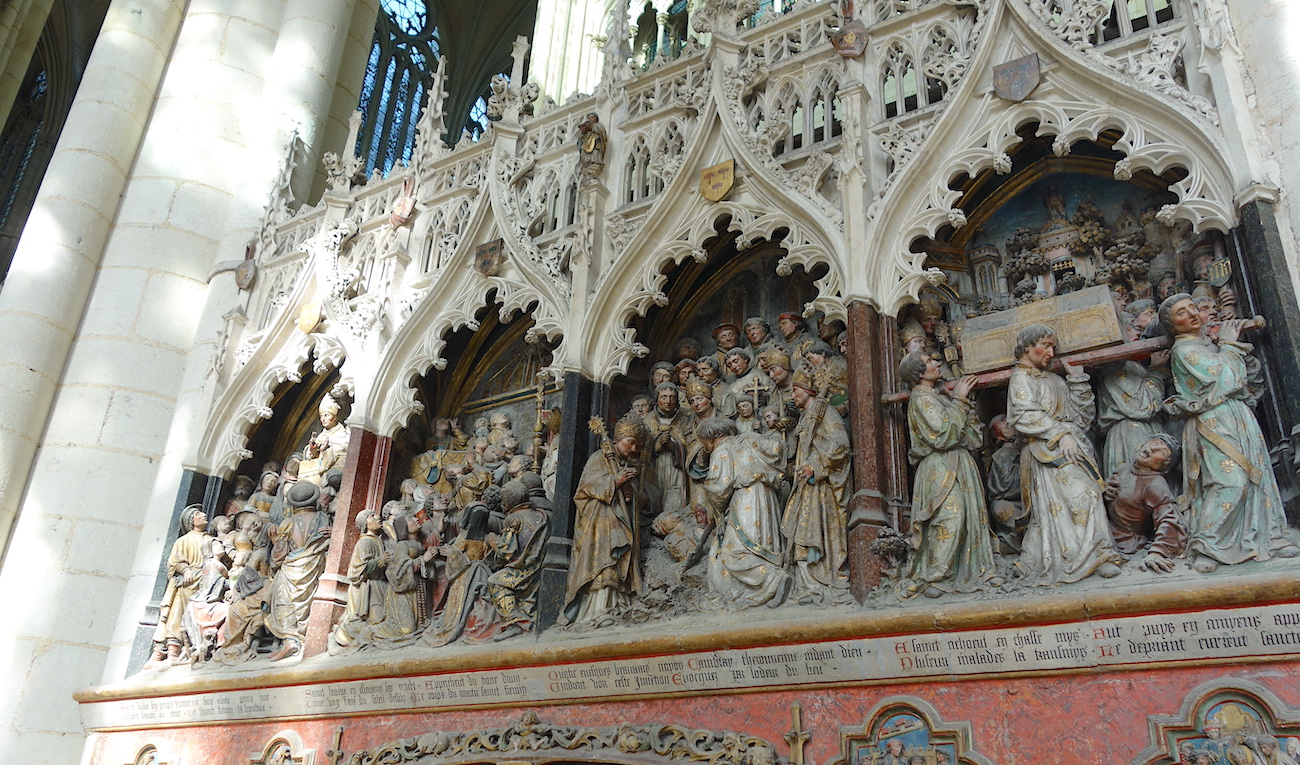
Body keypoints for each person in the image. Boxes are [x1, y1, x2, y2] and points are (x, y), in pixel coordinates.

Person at [1159, 294, 1300, 572]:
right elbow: (1225, 379)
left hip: (1236, 415)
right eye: (1181, 313)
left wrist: (1222, 343)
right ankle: (1207, 544)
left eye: (1193, 308)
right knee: (1229, 481)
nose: (1191, 314)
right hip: (1213, 421)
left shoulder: (1205, 343)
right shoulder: (1183, 351)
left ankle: (1269, 536)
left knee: (1257, 475)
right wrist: (1229, 343)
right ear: (1173, 326)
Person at [1006, 324, 1122, 584]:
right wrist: (1061, 434)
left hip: (1073, 445)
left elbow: (1081, 419)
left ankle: (1098, 555)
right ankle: (1084, 558)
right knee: (1080, 497)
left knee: (1086, 497)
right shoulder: (1020, 379)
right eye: (1045, 345)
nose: (1051, 352)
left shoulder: (1055, 380)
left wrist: (1078, 381)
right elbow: (1024, 416)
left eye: (1053, 347)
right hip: (1047, 449)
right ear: (1027, 347)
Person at [897, 351, 999, 597]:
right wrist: (960, 399)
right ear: (919, 373)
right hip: (938, 466)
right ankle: (935, 574)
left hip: (960, 463)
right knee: (948, 516)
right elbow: (944, 433)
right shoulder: (920, 400)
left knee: (969, 516)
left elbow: (970, 437)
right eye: (930, 361)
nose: (936, 362)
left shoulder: (939, 397)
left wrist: (958, 402)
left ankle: (974, 570)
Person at [692, 417, 792, 609]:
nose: (704, 448)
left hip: (745, 498)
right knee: (762, 542)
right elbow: (777, 447)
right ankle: (767, 580)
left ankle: (772, 578)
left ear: (710, 437)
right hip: (768, 497)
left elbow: (717, 486)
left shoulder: (721, 450)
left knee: (733, 551)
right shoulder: (749, 438)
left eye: (703, 443)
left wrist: (715, 509)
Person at [563, 414, 649, 627]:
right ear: (618, 439)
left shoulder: (622, 463)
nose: (633, 449)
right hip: (599, 521)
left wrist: (629, 494)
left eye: (637, 446)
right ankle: (597, 608)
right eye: (630, 442)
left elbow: (631, 498)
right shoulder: (599, 458)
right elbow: (586, 487)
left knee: (618, 558)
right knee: (603, 559)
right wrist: (615, 481)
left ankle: (616, 603)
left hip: (616, 520)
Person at [781, 369, 851, 602]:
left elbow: (840, 444)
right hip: (805, 485)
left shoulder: (825, 412)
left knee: (814, 532)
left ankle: (823, 582)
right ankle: (808, 585)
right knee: (801, 533)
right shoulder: (807, 416)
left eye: (795, 389)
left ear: (808, 390)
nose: (792, 395)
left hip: (820, 487)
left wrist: (815, 466)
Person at [264, 481, 332, 660]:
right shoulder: (322, 519)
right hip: (313, 567)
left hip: (291, 568)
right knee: (308, 602)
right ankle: (307, 635)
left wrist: (274, 547)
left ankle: (291, 639)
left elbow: (279, 554)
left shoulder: (287, 523)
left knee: (284, 601)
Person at [1104, 434, 1187, 573]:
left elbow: (1170, 520)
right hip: (1105, 530)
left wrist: (1158, 552)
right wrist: (1105, 490)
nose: (1153, 448)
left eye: (1162, 452)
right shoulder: (1123, 469)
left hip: (1126, 544)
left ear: (1165, 466)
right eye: (1154, 442)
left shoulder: (1154, 486)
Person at [486, 480, 551, 640]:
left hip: (522, 570)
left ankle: (515, 621)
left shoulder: (513, 518)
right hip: (539, 565)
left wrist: (493, 541)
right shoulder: (540, 515)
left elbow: (506, 553)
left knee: (494, 581)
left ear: (507, 503)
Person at [149, 505, 209, 664]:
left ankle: (200, 647)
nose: (203, 515)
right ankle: (171, 652)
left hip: (207, 582)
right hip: (188, 583)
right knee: (177, 614)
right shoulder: (184, 540)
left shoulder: (211, 539)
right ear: (191, 521)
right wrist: (186, 570)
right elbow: (175, 561)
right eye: (198, 514)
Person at [329, 508, 388, 654]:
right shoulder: (365, 542)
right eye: (372, 516)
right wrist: (380, 561)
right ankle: (340, 636)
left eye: (376, 515)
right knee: (375, 622)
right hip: (367, 589)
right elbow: (355, 571)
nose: (377, 517)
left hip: (381, 586)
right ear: (365, 524)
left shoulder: (378, 541)